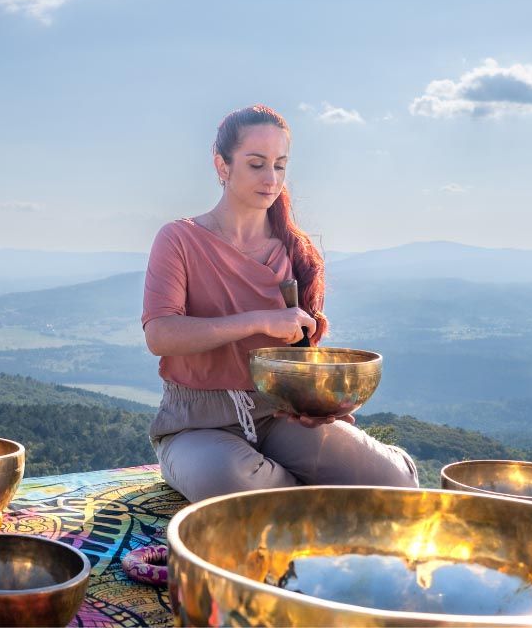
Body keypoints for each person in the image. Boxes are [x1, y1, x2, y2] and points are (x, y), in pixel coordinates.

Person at [141, 104, 418, 502]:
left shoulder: (294, 250)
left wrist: (318, 402)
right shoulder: (179, 239)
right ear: (222, 165)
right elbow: (160, 335)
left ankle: (289, 494)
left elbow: (301, 354)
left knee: (394, 482)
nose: (271, 178)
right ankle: (298, 499)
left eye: (280, 165)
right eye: (256, 164)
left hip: (279, 416)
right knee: (231, 486)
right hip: (196, 424)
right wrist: (258, 321)